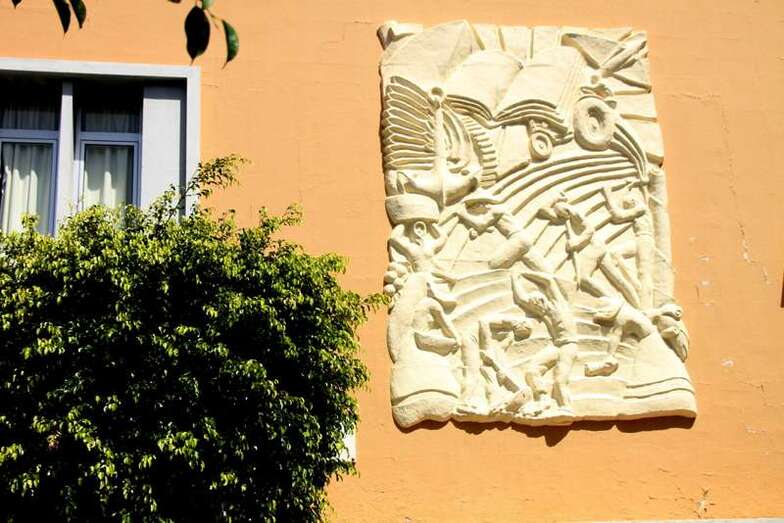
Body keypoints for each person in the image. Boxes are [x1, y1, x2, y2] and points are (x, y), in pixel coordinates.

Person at [539, 192, 641, 308]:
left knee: (584, 278)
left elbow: (590, 230)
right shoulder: (561, 214)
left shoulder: (574, 214)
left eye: (562, 214)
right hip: (595, 247)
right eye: (559, 214)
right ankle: (635, 305)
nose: (560, 216)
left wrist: (577, 242)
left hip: (594, 247)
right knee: (617, 278)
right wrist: (555, 198)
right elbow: (543, 210)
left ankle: (613, 300)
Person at [510, 270, 578, 415]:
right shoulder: (544, 312)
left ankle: (566, 408)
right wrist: (515, 277)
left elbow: (549, 281)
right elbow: (521, 299)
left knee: (560, 380)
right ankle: (543, 399)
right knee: (532, 371)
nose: (535, 307)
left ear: (543, 300)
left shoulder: (559, 304)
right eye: (533, 305)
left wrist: (524, 273)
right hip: (557, 346)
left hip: (569, 346)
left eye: (536, 303)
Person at [457, 189, 553, 273]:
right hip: (523, 239)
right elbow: (486, 227)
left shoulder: (495, 210)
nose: (473, 209)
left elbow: (481, 225)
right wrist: (474, 229)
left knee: (494, 265)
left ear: (482, 204)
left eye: (474, 206)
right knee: (544, 270)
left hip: (518, 239)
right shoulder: (495, 212)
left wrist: (463, 214)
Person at [602, 183, 655, 309]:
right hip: (638, 239)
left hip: (645, 239)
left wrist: (608, 195)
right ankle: (635, 284)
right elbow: (618, 216)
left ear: (634, 201)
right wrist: (626, 187)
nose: (627, 205)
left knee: (643, 272)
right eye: (626, 205)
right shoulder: (638, 207)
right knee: (614, 253)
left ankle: (646, 304)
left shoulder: (641, 208)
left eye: (628, 203)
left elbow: (619, 216)